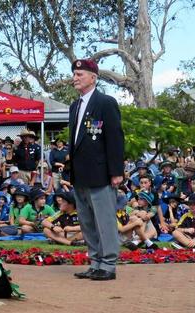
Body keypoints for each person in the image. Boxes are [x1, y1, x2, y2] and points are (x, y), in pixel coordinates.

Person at [69, 58, 124, 281]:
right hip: (80, 174)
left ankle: (108, 264)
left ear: (93, 77)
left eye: (80, 74)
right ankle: (95, 262)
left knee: (104, 221)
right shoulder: (75, 106)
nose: (75, 77)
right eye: (74, 74)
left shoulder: (105, 103)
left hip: (101, 174)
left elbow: (115, 139)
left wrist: (116, 171)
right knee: (88, 222)